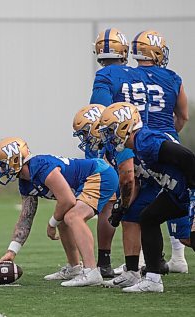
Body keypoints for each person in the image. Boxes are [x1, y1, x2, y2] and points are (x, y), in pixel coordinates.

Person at [0, 137, 118, 287]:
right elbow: (26, 217)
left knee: (72, 217)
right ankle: (74, 268)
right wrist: (12, 251)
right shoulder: (25, 182)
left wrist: (51, 223)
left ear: (15, 159)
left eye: (2, 164)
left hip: (100, 174)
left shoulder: (41, 166)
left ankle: (91, 271)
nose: (1, 170)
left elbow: (68, 200)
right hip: (89, 180)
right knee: (64, 220)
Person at [100, 102, 195, 293]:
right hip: (177, 192)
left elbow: (187, 157)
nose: (109, 135)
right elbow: (139, 181)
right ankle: (153, 279)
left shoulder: (146, 140)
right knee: (148, 217)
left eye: (111, 130)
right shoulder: (137, 145)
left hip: (188, 190)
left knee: (191, 235)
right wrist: (122, 206)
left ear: (125, 126)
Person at [88, 28, 146, 278]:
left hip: (120, 138)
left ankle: (104, 261)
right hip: (144, 137)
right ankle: (153, 260)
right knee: (146, 201)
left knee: (112, 201)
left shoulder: (104, 76)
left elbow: (100, 110)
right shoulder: (138, 74)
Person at [131, 30, 190, 273]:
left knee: (147, 200)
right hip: (166, 141)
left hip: (138, 141)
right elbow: (183, 114)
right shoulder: (172, 78)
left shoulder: (129, 76)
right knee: (175, 193)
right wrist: (172, 134)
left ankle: (144, 261)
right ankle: (178, 257)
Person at [72, 104, 141, 287]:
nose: (85, 138)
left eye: (86, 132)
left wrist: (124, 204)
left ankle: (145, 264)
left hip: (145, 183)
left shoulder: (119, 140)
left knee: (131, 216)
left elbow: (130, 175)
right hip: (130, 182)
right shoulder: (100, 146)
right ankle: (127, 264)